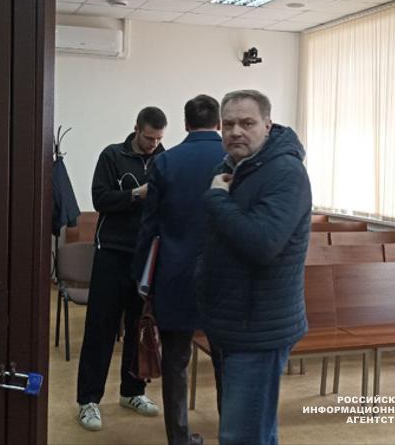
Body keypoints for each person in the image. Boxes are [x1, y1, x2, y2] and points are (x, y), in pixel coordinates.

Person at [196, 90, 312, 445]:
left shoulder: (286, 172)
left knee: (242, 434)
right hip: (231, 319)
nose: (236, 132)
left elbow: (262, 243)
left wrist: (217, 199)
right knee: (253, 428)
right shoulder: (233, 167)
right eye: (228, 124)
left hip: (259, 327)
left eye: (247, 123)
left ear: (267, 125)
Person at [133, 95, 225, 445]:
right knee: (227, 362)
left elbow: (150, 226)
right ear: (219, 123)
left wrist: (141, 277)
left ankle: (180, 438)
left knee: (175, 363)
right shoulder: (234, 159)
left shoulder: (166, 161)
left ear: (185, 124)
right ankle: (231, 433)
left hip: (175, 275)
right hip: (224, 279)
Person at [77, 106, 167, 432]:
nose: (153, 145)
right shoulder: (112, 156)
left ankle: (133, 392)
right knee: (100, 328)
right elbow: (100, 199)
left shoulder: (164, 160)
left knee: (138, 327)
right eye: (149, 138)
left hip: (146, 257)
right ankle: (88, 400)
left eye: (158, 139)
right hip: (112, 254)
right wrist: (136, 195)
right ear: (136, 129)